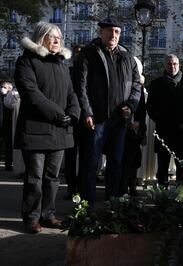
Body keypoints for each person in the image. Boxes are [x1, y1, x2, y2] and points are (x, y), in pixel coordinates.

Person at [14, 21, 80, 233]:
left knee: (52, 178)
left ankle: (48, 214)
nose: (56, 40)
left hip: (59, 130)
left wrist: (73, 114)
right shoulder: (26, 61)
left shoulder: (62, 64)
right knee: (34, 178)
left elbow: (71, 93)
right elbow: (32, 95)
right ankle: (32, 218)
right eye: (51, 36)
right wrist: (59, 115)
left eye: (58, 37)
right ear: (39, 38)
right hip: (35, 130)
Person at [73, 16, 142, 204]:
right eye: (110, 30)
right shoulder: (88, 54)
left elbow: (136, 85)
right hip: (97, 119)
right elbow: (81, 87)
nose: (114, 34)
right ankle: (87, 206)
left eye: (117, 31)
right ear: (100, 31)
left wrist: (131, 105)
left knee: (116, 164)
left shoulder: (127, 56)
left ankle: (113, 204)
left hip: (119, 120)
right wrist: (87, 112)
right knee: (91, 164)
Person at [147, 54, 183, 187]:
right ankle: (161, 195)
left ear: (179, 65)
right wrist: (160, 118)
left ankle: (181, 194)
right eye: (169, 64)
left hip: (182, 132)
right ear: (165, 65)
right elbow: (150, 107)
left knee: (181, 167)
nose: (172, 67)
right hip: (163, 130)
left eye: (175, 64)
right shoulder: (156, 84)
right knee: (162, 165)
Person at [120, 56, 147, 196]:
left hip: (136, 129)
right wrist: (128, 122)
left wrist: (140, 124)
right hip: (124, 127)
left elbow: (142, 108)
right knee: (125, 160)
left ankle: (132, 186)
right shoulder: (123, 82)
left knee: (135, 159)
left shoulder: (139, 87)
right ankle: (124, 187)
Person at [63, 44, 84, 200]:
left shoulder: (90, 73)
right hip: (70, 119)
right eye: (77, 52)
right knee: (70, 156)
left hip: (86, 119)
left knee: (85, 156)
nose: (79, 55)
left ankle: (82, 188)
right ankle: (71, 188)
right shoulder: (66, 72)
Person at [1, 81, 17, 171]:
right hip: (5, 126)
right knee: (8, 145)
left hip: (10, 124)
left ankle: (10, 163)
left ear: (10, 88)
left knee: (10, 145)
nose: (2, 89)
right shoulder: (3, 97)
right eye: (2, 87)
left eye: (4, 87)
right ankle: (8, 164)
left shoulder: (12, 97)